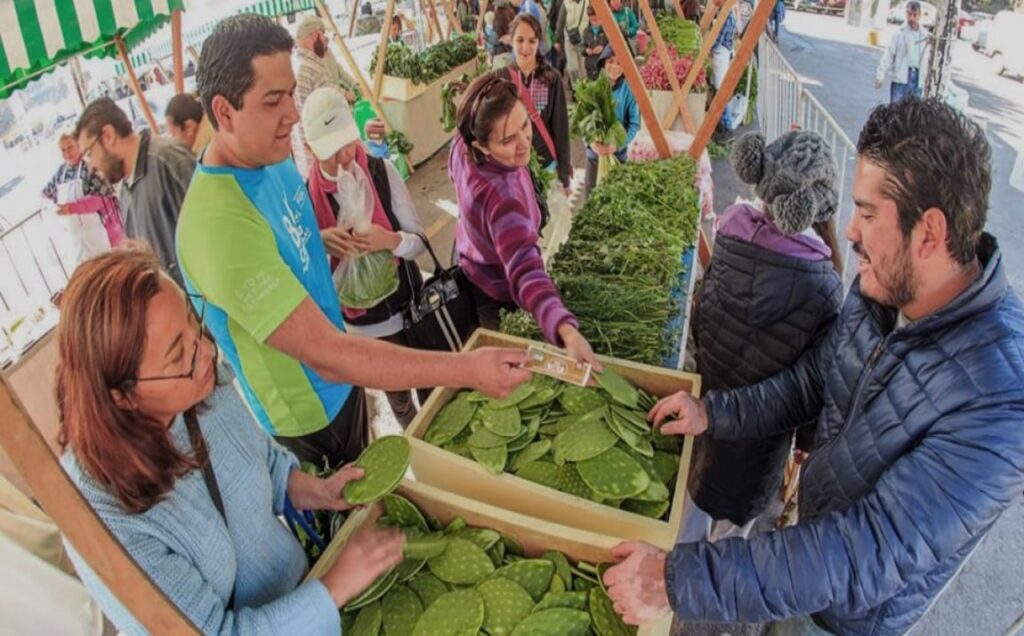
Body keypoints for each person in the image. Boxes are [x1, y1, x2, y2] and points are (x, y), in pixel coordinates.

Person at [603, 98, 1024, 635]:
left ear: (930, 232)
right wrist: (712, 413)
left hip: (848, 612)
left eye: (868, 214)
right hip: (804, 552)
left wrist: (677, 580)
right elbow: (813, 381)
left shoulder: (1000, 399)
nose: (849, 232)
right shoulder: (882, 294)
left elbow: (864, 551)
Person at [176, 14, 530, 469]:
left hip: (345, 382)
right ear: (224, 111)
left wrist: (320, 239)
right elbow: (327, 355)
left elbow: (287, 241)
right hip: (309, 416)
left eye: (290, 94)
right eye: (273, 101)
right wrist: (466, 368)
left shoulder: (272, 159)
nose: (292, 115)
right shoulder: (217, 225)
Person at [55, 247, 405, 635]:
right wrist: (335, 586)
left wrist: (322, 492)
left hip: (307, 594)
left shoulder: (204, 380)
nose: (206, 351)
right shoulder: (100, 514)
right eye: (178, 356)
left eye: (193, 321)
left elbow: (265, 464)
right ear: (123, 396)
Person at [680, 130, 844, 545]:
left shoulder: (730, 236)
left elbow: (701, 318)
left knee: (691, 510)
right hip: (760, 448)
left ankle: (676, 574)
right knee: (731, 539)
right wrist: (806, 444)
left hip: (706, 414)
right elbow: (812, 387)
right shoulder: (824, 286)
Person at [450, 74, 600, 369]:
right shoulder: (504, 198)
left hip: (470, 260)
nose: (524, 143)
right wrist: (566, 331)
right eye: (508, 140)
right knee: (503, 367)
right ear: (480, 145)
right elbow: (524, 270)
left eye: (524, 125)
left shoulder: (460, 145)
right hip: (494, 287)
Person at [302, 87, 429, 427]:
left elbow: (419, 243)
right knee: (401, 403)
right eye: (331, 152)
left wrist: (389, 240)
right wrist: (319, 243)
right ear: (310, 149)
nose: (345, 157)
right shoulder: (305, 202)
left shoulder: (381, 172)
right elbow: (305, 279)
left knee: (431, 391)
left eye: (347, 143)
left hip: (410, 310)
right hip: (365, 329)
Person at [75, 98, 195, 285]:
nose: (91, 167)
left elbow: (213, 228)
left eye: (89, 154)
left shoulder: (167, 159)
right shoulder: (125, 193)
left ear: (108, 136)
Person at [491, 14, 573, 195]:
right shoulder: (500, 79)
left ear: (539, 43)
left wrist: (564, 177)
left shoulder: (552, 78)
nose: (525, 47)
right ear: (510, 40)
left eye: (531, 41)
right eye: (520, 40)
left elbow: (561, 128)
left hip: (547, 169)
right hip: (513, 172)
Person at [291, 15, 359, 178]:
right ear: (315, 35)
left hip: (304, 161)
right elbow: (334, 113)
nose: (325, 40)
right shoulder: (313, 68)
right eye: (323, 34)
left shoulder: (293, 64)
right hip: (323, 161)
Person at [42, 131, 123, 264]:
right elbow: (46, 193)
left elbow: (100, 199)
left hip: (100, 234)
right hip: (75, 239)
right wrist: (50, 207)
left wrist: (72, 208)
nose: (67, 153)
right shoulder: (61, 173)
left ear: (78, 146)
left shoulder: (91, 166)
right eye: (63, 150)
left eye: (70, 147)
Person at [583, 46, 640, 199]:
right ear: (602, 63)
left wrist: (618, 145)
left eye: (620, 63)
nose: (615, 67)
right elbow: (582, 122)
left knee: (615, 202)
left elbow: (634, 124)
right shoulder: (592, 88)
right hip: (594, 158)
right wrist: (592, 143)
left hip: (618, 157)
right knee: (591, 201)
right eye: (610, 61)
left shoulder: (629, 91)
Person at [876, 0, 929, 102]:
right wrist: (881, 74)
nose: (911, 18)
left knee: (913, 113)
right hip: (902, 76)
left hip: (917, 79)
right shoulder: (899, 33)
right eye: (909, 14)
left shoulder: (925, 35)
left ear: (919, 15)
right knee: (896, 110)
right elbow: (889, 54)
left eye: (914, 15)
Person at [709, 0, 737, 134]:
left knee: (721, 91)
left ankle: (728, 127)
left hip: (721, 54)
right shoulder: (727, 13)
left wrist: (708, 48)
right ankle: (720, 124)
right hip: (721, 55)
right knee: (718, 88)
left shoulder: (726, 15)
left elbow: (718, 39)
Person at [558, 0, 590, 86]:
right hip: (570, 40)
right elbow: (560, 23)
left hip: (583, 39)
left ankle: (584, 89)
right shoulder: (566, 4)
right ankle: (575, 88)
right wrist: (558, 40)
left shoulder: (587, 2)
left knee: (583, 68)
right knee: (573, 68)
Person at [582, 6, 609, 80]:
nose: (594, 22)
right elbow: (582, 47)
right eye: (592, 20)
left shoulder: (606, 30)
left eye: (596, 20)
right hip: (590, 65)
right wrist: (586, 50)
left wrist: (603, 48)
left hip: (603, 65)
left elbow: (611, 45)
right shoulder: (586, 31)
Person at [491, 2, 519, 69]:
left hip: (502, 52)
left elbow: (496, 38)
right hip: (511, 50)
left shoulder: (498, 17)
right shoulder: (511, 12)